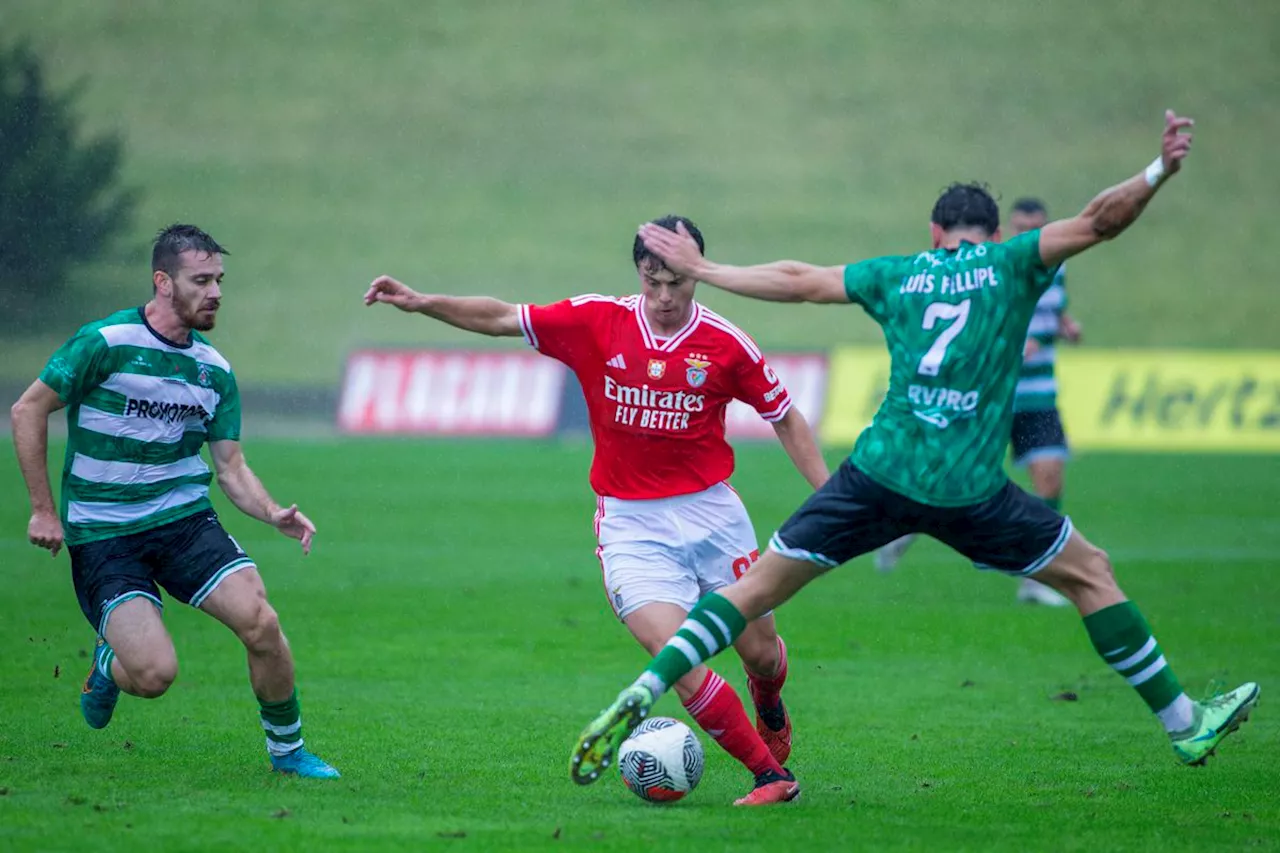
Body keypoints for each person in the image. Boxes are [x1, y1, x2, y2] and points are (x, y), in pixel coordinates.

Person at [570, 112, 1258, 797]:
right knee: (1093, 576)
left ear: (934, 234)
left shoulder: (901, 273)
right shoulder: (1013, 261)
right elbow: (1101, 220)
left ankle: (650, 682)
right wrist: (1158, 170)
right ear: (992, 234)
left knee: (748, 593)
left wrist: (708, 269)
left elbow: (801, 279)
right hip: (969, 486)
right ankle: (1182, 720)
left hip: (879, 473)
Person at [364, 215, 829, 805]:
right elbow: (503, 317)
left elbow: (784, 415)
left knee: (760, 652)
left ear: (698, 275)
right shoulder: (595, 320)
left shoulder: (726, 344)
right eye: (652, 281)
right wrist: (422, 302)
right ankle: (770, 776)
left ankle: (767, 698)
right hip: (631, 526)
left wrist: (831, 498)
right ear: (638, 272)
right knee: (678, 661)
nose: (664, 297)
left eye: (678, 283)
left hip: (713, 515)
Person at [11, 224, 339, 779]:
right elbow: (28, 410)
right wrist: (44, 510)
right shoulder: (105, 343)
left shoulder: (214, 370)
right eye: (201, 280)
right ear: (163, 282)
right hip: (106, 535)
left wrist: (272, 511)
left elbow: (230, 468)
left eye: (219, 280)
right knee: (155, 675)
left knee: (262, 624)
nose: (215, 292)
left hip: (184, 523)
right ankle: (108, 663)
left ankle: (288, 753)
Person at [875, 198, 1080, 608]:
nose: (1030, 235)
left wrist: (1064, 327)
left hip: (1037, 396)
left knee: (1050, 480)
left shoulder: (1057, 269)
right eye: (1022, 227)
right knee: (949, 481)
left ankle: (1037, 579)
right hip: (986, 398)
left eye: (1037, 227)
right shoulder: (995, 269)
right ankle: (908, 526)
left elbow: (1051, 314)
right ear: (1008, 229)